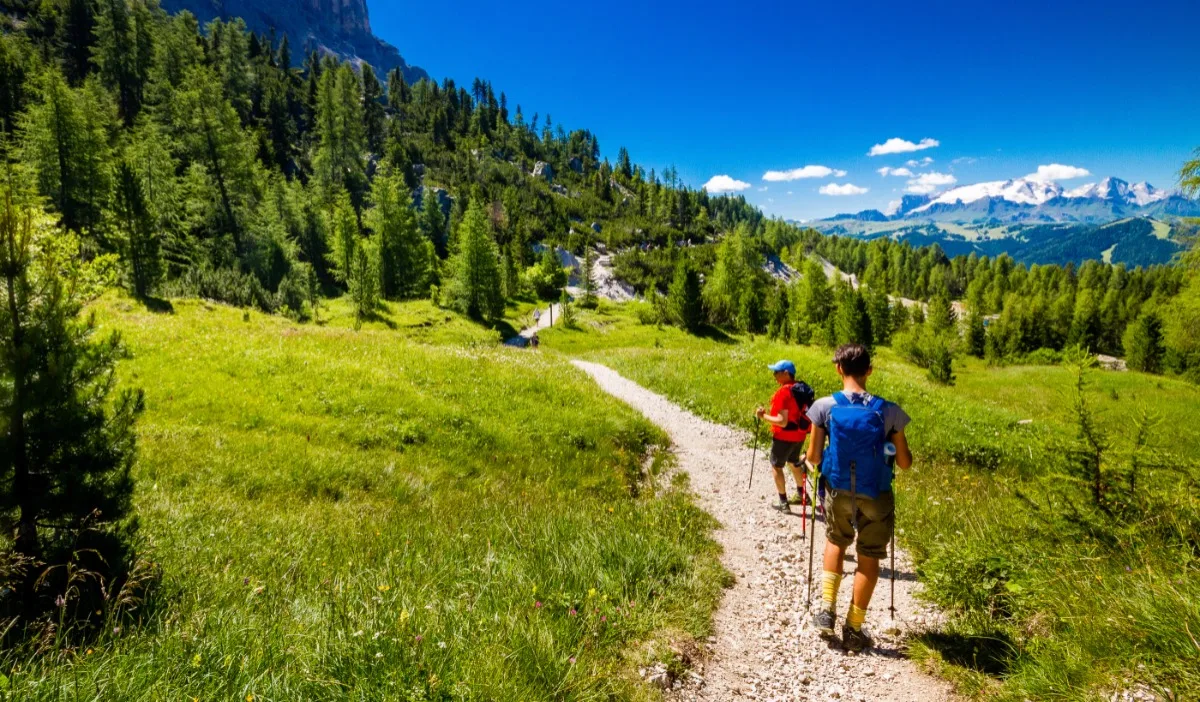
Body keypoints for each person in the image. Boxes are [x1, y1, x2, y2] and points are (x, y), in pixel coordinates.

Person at [805, 343, 912, 652]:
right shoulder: (888, 410)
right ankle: (853, 627)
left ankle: (826, 609)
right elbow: (904, 463)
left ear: (839, 369)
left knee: (837, 541)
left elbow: (813, 456)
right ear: (869, 370)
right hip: (875, 493)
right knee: (869, 556)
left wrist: (816, 458)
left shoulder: (824, 407)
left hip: (838, 489)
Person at [755, 360, 811, 514]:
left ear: (786, 373)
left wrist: (763, 415)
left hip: (784, 437)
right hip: (800, 435)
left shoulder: (783, 392)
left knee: (776, 466)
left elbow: (782, 421)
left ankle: (783, 502)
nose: (774, 375)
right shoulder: (801, 388)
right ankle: (802, 495)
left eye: (776, 372)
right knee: (794, 462)